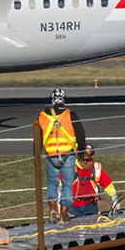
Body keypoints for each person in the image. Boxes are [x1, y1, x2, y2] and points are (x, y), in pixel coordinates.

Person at [38, 88, 85, 222]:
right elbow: (81, 134)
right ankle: (64, 212)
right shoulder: (70, 114)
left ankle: (53, 207)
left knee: (52, 182)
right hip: (68, 154)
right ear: (63, 99)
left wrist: (36, 154)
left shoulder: (42, 115)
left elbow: (38, 136)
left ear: (51, 99)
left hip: (51, 154)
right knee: (67, 184)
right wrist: (81, 152)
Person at [70, 144, 117, 217]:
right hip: (73, 207)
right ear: (79, 158)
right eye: (84, 160)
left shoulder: (96, 168)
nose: (86, 163)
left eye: (89, 160)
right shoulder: (70, 168)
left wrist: (115, 200)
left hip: (91, 206)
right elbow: (59, 187)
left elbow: (108, 185)